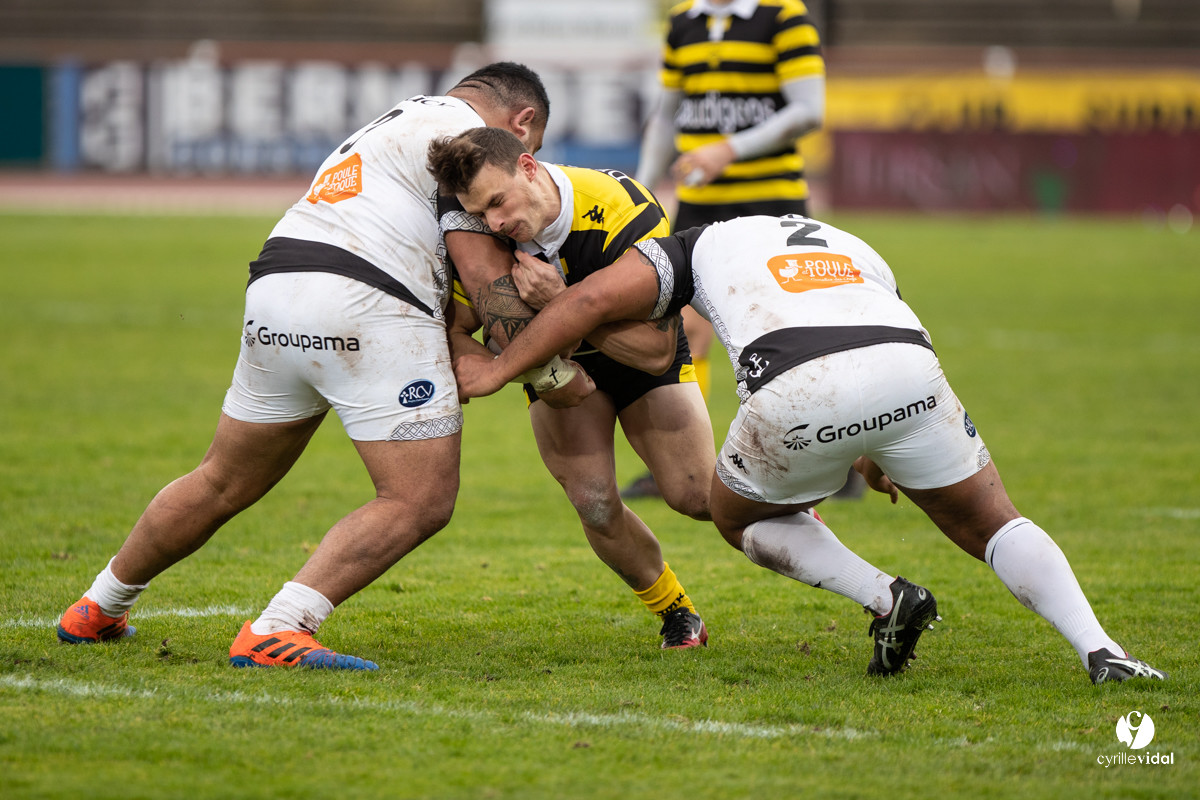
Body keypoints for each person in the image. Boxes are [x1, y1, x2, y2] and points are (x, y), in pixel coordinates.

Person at [452, 214, 1168, 684]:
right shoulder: (850, 241)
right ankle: (1102, 649)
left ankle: (887, 597)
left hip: (799, 387)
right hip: (911, 372)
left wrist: (497, 366)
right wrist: (873, 446)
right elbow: (879, 326)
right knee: (992, 521)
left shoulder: (698, 245)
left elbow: (589, 306)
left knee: (736, 517)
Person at [55, 62, 556, 671]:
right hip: (364, 303)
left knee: (222, 478)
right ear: (521, 124)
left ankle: (97, 606)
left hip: (274, 288)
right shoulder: (467, 141)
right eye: (528, 151)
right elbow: (481, 274)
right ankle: (280, 629)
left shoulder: (388, 126)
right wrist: (544, 361)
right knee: (419, 498)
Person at [426, 127, 715, 649]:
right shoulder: (484, 239)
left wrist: (568, 303)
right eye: (480, 213)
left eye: (498, 202)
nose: (495, 222)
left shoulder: (622, 206)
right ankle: (676, 609)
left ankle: (785, 500)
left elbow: (654, 350)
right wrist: (519, 365)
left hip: (639, 359)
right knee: (596, 503)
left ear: (529, 167)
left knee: (696, 495)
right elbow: (451, 330)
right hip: (557, 369)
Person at [622, 0, 868, 500]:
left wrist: (728, 149)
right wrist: (641, 195)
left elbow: (809, 111)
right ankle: (693, 463)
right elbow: (668, 114)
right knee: (683, 329)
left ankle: (836, 461)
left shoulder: (783, 16)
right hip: (698, 205)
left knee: (797, 330)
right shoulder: (683, 21)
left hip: (770, 199)